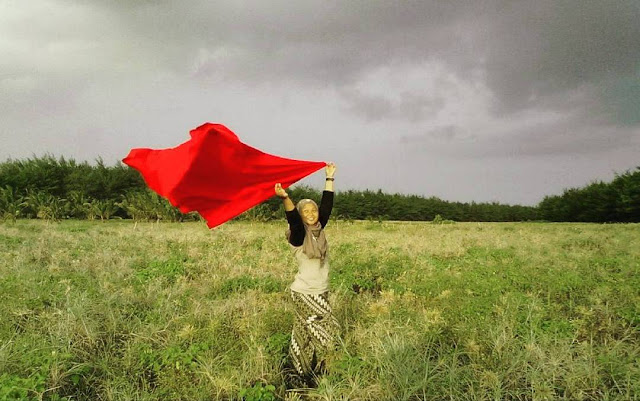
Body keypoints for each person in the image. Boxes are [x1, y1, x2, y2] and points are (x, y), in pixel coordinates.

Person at [274, 162, 340, 387]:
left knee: (303, 334)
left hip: (320, 291)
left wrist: (329, 179)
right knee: (329, 329)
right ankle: (328, 369)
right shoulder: (298, 235)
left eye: (313, 210)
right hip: (304, 293)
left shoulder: (318, 231)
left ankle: (299, 375)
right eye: (306, 211)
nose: (311, 214)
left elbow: (327, 207)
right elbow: (293, 218)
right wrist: (285, 198)